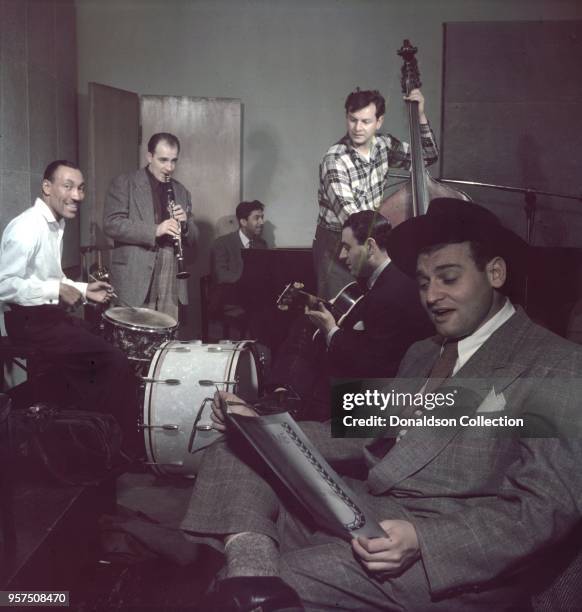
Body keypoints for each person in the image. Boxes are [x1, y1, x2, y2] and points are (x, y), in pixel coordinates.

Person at [181, 198, 582, 611]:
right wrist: (261, 425)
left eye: (448, 278)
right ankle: (253, 573)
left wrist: (423, 543)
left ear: (495, 272)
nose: (433, 296)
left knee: (275, 581)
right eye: (424, 282)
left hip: (448, 555)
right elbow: (359, 430)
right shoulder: (423, 351)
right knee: (235, 449)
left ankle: (251, 580)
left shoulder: (558, 364)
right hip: (368, 509)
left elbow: (543, 510)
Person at [0, 160, 136, 439]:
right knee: (113, 360)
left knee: (107, 341)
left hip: (46, 319)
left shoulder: (53, 223)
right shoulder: (27, 227)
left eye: (81, 188)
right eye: (68, 186)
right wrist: (55, 290)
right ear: (47, 187)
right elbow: (4, 285)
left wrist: (86, 290)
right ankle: (106, 441)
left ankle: (86, 434)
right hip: (28, 323)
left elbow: (49, 277)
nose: (77, 196)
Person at [268, 210, 432, 419]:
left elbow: (373, 364)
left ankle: (287, 401)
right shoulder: (389, 279)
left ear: (370, 246)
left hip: (377, 398)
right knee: (305, 326)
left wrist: (331, 331)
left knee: (309, 340)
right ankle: (284, 395)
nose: (342, 255)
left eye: (347, 247)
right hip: (380, 381)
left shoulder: (387, 294)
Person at [314, 88, 439, 299]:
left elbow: (427, 156)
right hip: (338, 244)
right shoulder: (334, 159)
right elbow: (352, 220)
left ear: (379, 121)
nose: (358, 128)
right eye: (353, 120)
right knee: (343, 310)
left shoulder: (384, 145)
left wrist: (420, 115)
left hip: (369, 238)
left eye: (365, 121)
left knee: (375, 304)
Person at [104, 132, 198, 321]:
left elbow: (195, 238)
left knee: (167, 332)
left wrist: (185, 224)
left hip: (170, 269)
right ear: (149, 157)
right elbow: (112, 224)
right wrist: (155, 230)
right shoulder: (125, 182)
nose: (169, 168)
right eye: (163, 160)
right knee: (133, 335)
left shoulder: (181, 191)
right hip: (136, 270)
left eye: (173, 161)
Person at [209, 200, 269, 341]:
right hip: (229, 299)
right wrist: (248, 280)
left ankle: (264, 354)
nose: (261, 222)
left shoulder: (262, 244)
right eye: (256, 218)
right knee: (261, 313)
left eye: (262, 217)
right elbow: (221, 276)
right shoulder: (222, 244)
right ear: (243, 221)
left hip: (254, 299)